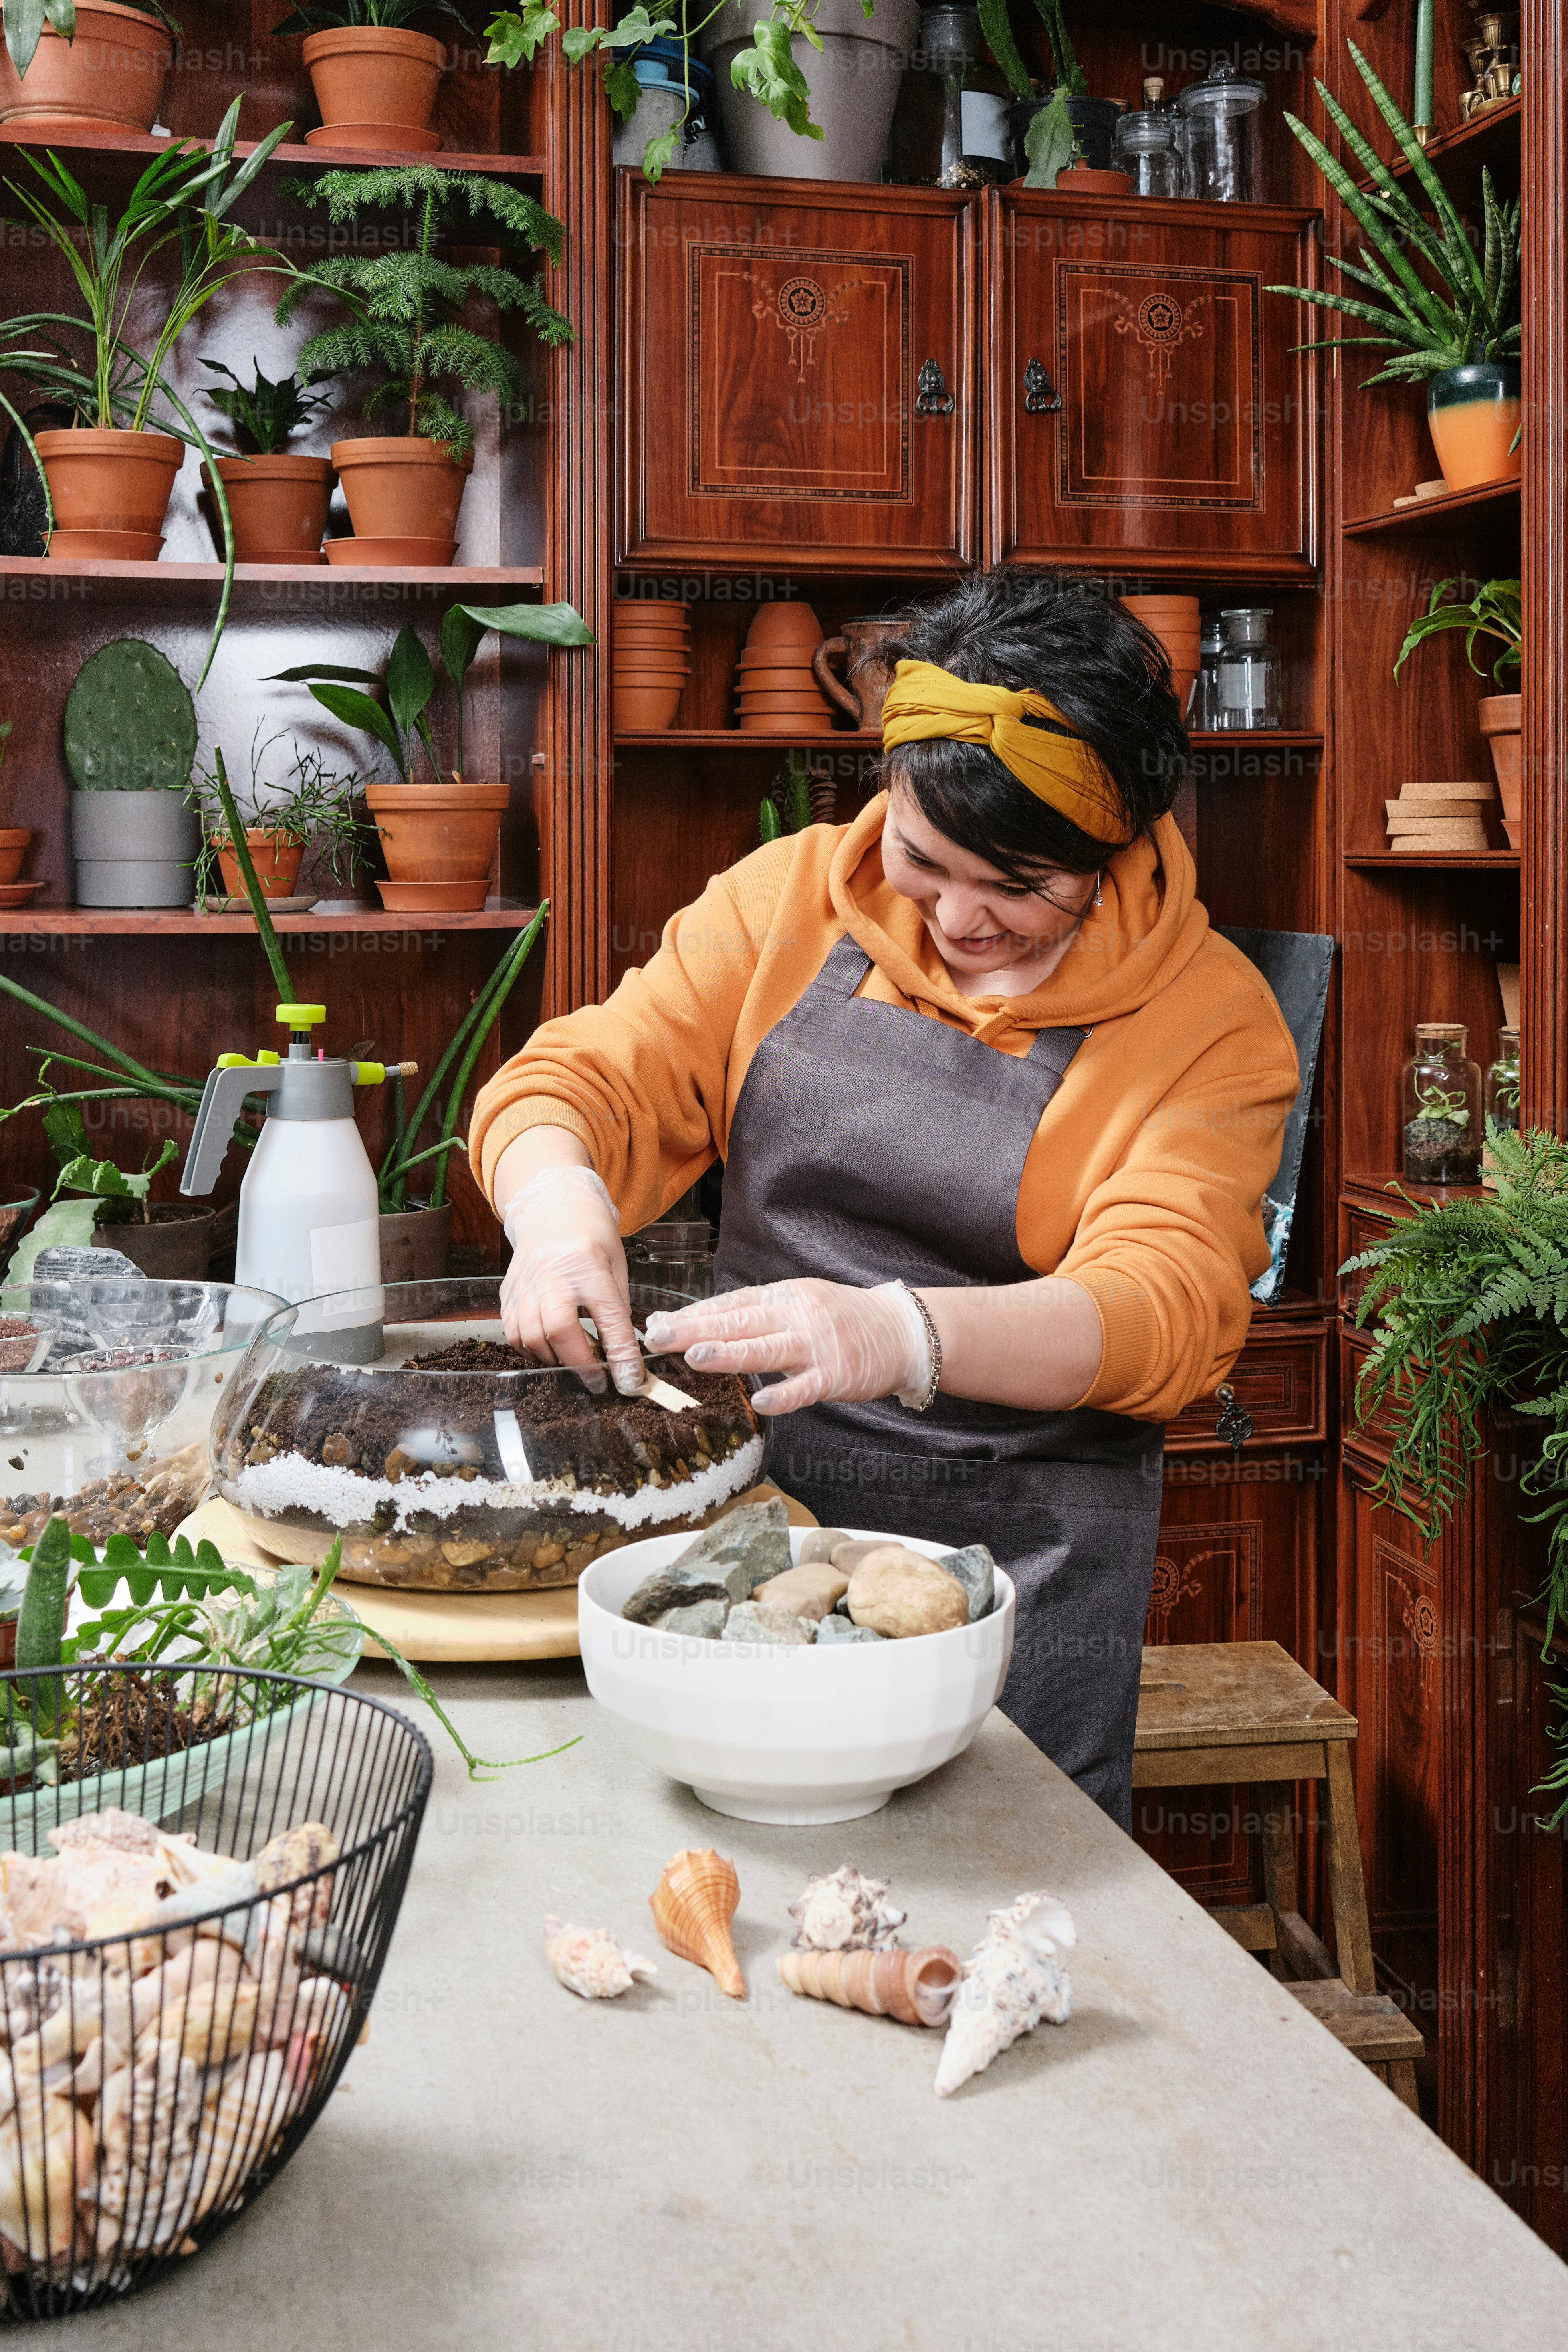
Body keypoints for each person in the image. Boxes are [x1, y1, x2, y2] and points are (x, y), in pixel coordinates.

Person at [469, 567, 1300, 1825]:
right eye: (924, 859)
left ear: (1114, 844)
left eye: (1018, 886)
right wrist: (557, 1215)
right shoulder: (786, 899)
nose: (961, 919)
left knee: (993, 1908)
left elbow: (1165, 1307)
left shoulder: (1209, 1021)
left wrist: (895, 1333)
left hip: (1017, 1567)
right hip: (760, 1528)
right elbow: (585, 1080)